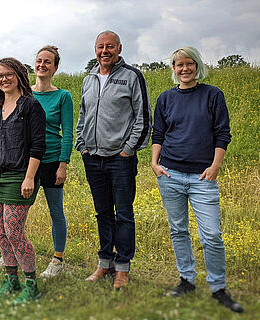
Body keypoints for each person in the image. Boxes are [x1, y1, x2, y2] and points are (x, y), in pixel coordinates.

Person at [151, 47, 243, 313]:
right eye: (179, 65)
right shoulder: (166, 98)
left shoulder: (212, 95)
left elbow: (222, 133)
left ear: (197, 66)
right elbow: (158, 134)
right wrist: (155, 163)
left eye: (189, 64)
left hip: (203, 176)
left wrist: (215, 166)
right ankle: (186, 280)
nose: (184, 69)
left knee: (212, 235)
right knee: (178, 230)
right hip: (170, 174)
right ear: (173, 69)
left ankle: (218, 288)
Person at [75, 30, 151, 289]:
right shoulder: (89, 78)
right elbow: (83, 114)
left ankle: (122, 268)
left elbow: (143, 117)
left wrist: (128, 150)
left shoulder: (132, 76)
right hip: (92, 157)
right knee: (103, 212)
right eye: (100, 46)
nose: (104, 51)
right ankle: (104, 263)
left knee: (124, 214)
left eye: (109, 46)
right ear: (94, 49)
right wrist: (81, 144)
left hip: (120, 159)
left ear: (119, 48)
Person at [0, 57, 46, 304]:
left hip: (18, 177)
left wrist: (29, 177)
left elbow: (38, 146)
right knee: (1, 232)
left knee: (14, 231)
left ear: (18, 76)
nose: (3, 79)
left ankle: (32, 284)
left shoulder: (30, 106)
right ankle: (11, 279)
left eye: (8, 74)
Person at [32, 45, 73, 277]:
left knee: (56, 210)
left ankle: (57, 261)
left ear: (55, 67)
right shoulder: (26, 93)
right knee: (17, 209)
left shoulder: (63, 96)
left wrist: (63, 164)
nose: (42, 65)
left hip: (51, 160)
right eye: (39, 60)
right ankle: (11, 250)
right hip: (28, 162)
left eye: (48, 62)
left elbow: (67, 132)